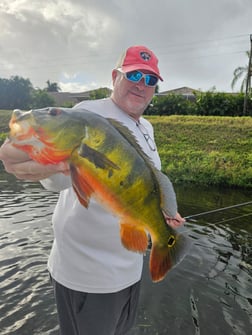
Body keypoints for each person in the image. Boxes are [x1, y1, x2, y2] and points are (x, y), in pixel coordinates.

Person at [0, 45, 185, 335]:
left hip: (129, 270)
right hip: (87, 276)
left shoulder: (145, 127)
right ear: (115, 76)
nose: (142, 85)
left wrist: (163, 215)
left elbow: (145, 185)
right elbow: (55, 176)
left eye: (150, 80)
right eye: (134, 74)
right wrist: (23, 154)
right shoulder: (86, 114)